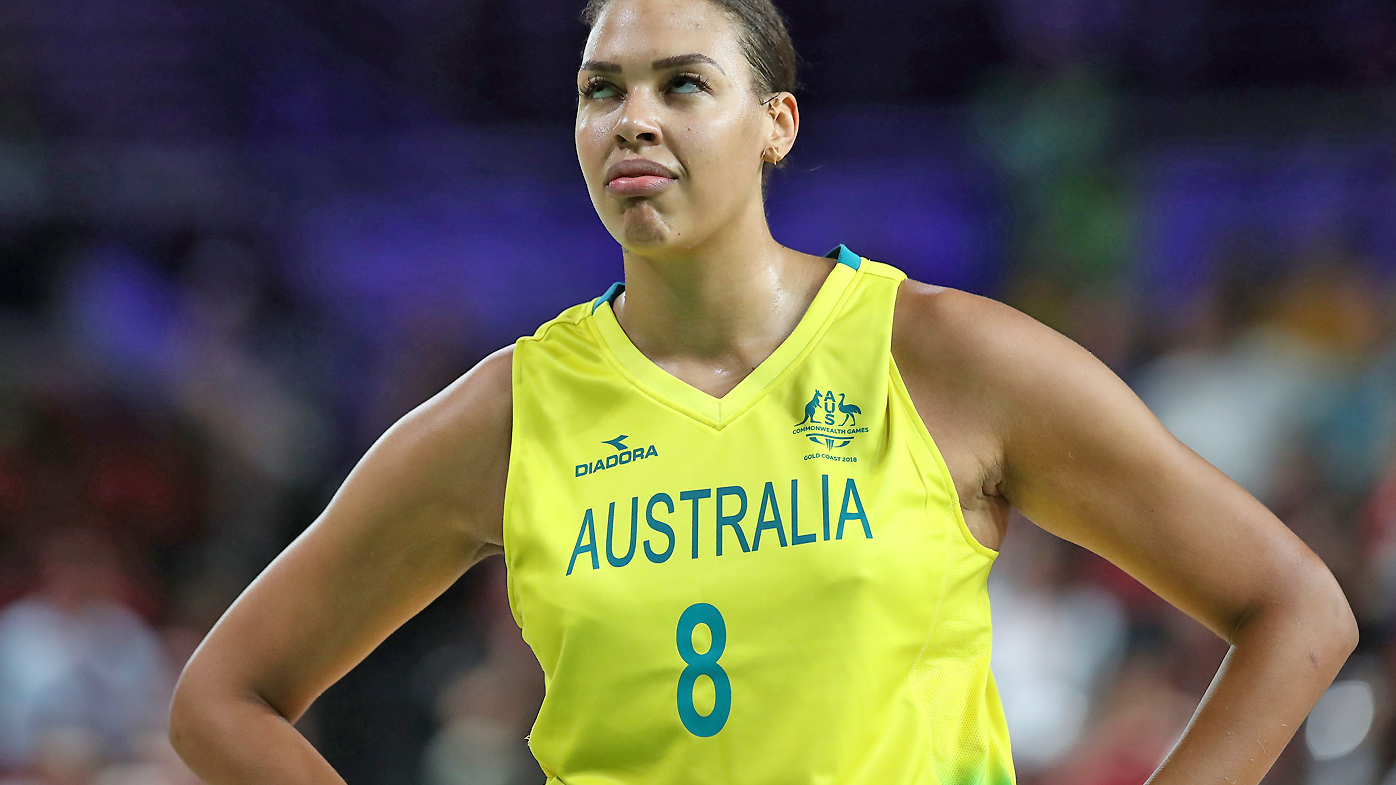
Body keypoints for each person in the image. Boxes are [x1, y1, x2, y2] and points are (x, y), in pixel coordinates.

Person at [166, 0, 1358, 783]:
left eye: (683, 84)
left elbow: (1294, 609)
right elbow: (224, 697)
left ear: (776, 124)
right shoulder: (510, 411)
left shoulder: (945, 355)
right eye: (601, 89)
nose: (633, 118)